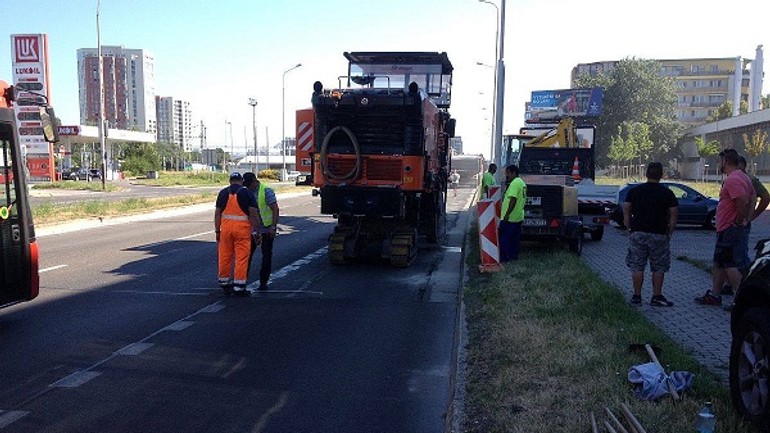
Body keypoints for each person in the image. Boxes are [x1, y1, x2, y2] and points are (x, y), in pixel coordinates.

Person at [695, 149, 755, 306]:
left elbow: (742, 201)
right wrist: (747, 219)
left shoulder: (733, 179)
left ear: (726, 161)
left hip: (729, 228)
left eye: (721, 161)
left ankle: (741, 302)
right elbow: (752, 198)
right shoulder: (744, 177)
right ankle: (715, 295)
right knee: (720, 262)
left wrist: (739, 220)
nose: (719, 164)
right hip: (726, 228)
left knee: (730, 264)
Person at [622, 162, 678, 307]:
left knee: (637, 266)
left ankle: (636, 296)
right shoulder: (667, 193)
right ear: (661, 175)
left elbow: (626, 210)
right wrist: (669, 232)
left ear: (646, 174)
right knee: (658, 267)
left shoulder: (635, 191)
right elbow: (673, 215)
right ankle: (657, 296)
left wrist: (629, 228)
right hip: (659, 234)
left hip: (638, 233)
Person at [722, 156, 770, 296]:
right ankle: (729, 284)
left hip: (738, 225)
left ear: (740, 166)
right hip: (730, 224)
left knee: (739, 257)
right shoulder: (733, 178)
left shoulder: (748, 179)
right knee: (728, 257)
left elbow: (765, 197)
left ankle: (747, 286)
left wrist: (751, 216)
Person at [214, 172, 261, 296]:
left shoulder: (223, 193)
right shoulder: (246, 193)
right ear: (241, 181)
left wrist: (217, 230)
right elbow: (253, 213)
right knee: (241, 257)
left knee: (225, 255)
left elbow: (217, 213)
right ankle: (239, 286)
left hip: (226, 229)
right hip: (242, 229)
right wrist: (256, 231)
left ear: (230, 181)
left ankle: (224, 282)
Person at [245, 172, 279, 291]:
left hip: (266, 229)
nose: (248, 188)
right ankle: (242, 281)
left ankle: (263, 282)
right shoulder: (246, 192)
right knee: (246, 256)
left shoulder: (266, 191)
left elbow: (275, 209)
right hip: (253, 229)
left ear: (255, 181)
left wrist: (273, 227)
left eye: (249, 185)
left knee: (266, 256)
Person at [498, 165, 526, 262]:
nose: (507, 175)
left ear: (514, 173)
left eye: (508, 173)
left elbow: (513, 200)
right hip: (518, 216)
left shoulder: (514, 183)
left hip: (510, 218)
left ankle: (505, 258)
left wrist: (507, 214)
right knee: (514, 239)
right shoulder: (521, 182)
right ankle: (514, 257)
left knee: (504, 238)